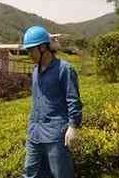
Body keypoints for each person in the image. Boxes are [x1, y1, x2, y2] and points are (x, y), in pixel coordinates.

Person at [21, 25, 82, 178]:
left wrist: (74, 126)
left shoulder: (64, 69)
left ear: (43, 47)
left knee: (60, 174)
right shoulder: (35, 71)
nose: (28, 54)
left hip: (55, 134)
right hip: (35, 133)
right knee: (31, 173)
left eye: (31, 50)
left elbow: (73, 100)